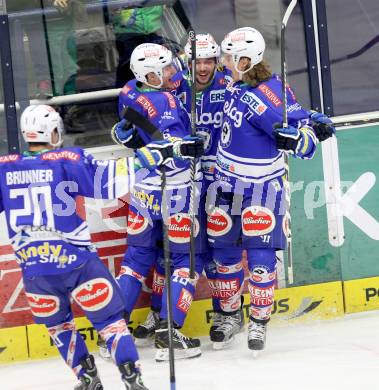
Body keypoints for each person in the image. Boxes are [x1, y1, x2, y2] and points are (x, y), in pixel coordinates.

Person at [0, 104, 202, 389]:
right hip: (78, 263)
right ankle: (133, 380)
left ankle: (88, 379)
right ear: (54, 132)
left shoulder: (4, 167)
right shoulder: (68, 159)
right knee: (111, 324)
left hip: (35, 272)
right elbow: (110, 180)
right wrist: (156, 154)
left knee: (59, 328)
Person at [207, 27, 335, 352]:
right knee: (225, 259)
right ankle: (230, 315)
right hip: (224, 186)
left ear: (244, 58)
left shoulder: (266, 94)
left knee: (261, 260)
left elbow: (301, 134)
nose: (222, 61)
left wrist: (304, 134)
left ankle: (259, 321)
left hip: (261, 190)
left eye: (227, 55)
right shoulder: (232, 81)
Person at [112, 42, 206, 361]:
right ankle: (169, 335)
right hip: (174, 188)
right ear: (151, 75)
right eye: (166, 69)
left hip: (142, 191)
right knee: (185, 262)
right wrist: (189, 146)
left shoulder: (128, 90)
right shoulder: (163, 99)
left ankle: (113, 334)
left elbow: (131, 131)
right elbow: (168, 144)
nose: (173, 72)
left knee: (136, 259)